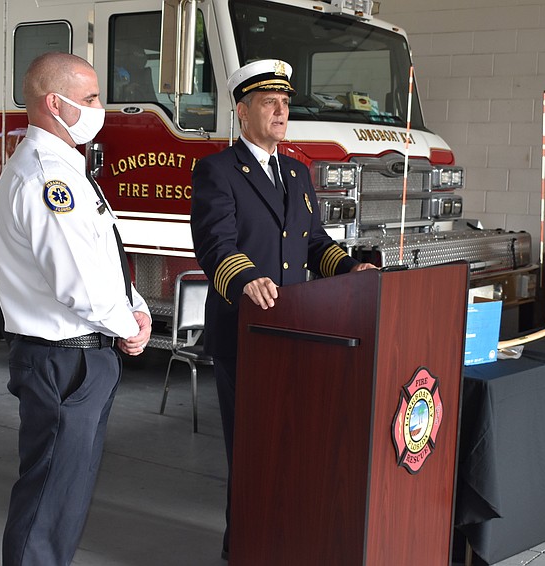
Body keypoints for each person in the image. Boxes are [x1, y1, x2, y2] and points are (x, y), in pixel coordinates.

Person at [189, 59, 376, 560]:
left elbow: (313, 242)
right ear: (242, 111)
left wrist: (349, 268)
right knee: (252, 447)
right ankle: (243, 545)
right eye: (269, 102)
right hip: (245, 330)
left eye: (285, 103)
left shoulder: (296, 171)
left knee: (290, 444)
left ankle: (282, 537)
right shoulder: (217, 171)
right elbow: (215, 245)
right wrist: (247, 279)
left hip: (295, 328)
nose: (280, 111)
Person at [0, 52, 152, 566]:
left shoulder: (68, 168)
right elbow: (78, 283)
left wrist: (138, 309)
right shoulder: (46, 178)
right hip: (63, 361)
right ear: (55, 104)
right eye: (91, 98)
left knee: (64, 502)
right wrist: (128, 325)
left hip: (81, 356)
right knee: (48, 507)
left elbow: (103, 257)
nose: (101, 108)